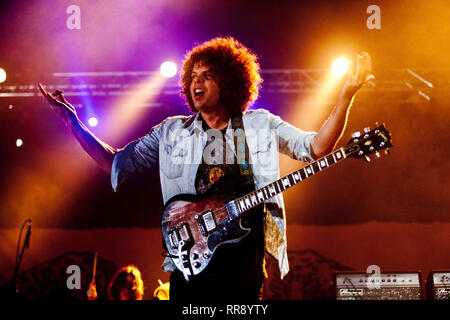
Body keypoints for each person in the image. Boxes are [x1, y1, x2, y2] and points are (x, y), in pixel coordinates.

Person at [38, 36, 373, 301]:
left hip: (243, 269)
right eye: (193, 77)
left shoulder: (259, 125)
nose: (196, 83)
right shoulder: (171, 131)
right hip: (189, 267)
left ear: (227, 82)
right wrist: (74, 125)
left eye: (207, 76)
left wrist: (344, 98)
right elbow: (116, 162)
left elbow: (315, 148)